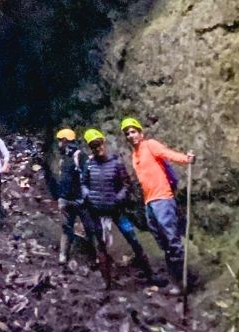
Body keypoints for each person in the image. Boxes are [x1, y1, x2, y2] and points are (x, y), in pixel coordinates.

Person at [120, 117, 194, 290]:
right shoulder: (134, 155)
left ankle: (185, 282)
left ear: (140, 133)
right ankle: (176, 280)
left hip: (163, 199)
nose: (130, 135)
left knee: (172, 240)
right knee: (164, 243)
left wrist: (186, 159)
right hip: (149, 203)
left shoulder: (150, 145)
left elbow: (168, 154)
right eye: (127, 133)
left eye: (133, 131)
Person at [79, 129, 158, 288]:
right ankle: (106, 283)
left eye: (99, 144)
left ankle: (151, 277)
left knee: (133, 240)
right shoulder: (89, 165)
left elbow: (126, 184)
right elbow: (83, 183)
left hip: (117, 211)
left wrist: (117, 198)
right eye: (94, 146)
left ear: (103, 143)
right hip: (98, 213)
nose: (98, 148)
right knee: (101, 246)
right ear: (90, 147)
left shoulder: (116, 163)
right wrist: (88, 196)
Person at [46, 128, 92, 269]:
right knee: (66, 228)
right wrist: (60, 198)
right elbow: (63, 179)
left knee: (90, 228)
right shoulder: (64, 158)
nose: (59, 143)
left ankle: (95, 256)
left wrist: (86, 195)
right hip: (66, 200)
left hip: (80, 200)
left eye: (60, 140)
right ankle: (63, 256)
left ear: (65, 140)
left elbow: (87, 175)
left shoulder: (80, 156)